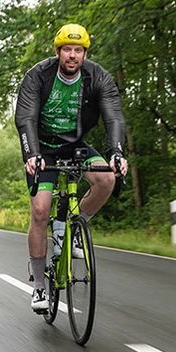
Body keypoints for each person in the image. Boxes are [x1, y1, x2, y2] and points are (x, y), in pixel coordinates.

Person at [15, 23, 128, 314]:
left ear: (85, 54)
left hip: (75, 143)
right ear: (58, 52)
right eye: (67, 49)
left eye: (78, 50)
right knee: (40, 210)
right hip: (42, 147)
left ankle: (73, 228)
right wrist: (32, 153)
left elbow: (114, 116)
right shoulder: (38, 76)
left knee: (105, 179)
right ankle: (39, 285)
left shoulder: (97, 76)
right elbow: (25, 117)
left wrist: (116, 152)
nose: (73, 55)